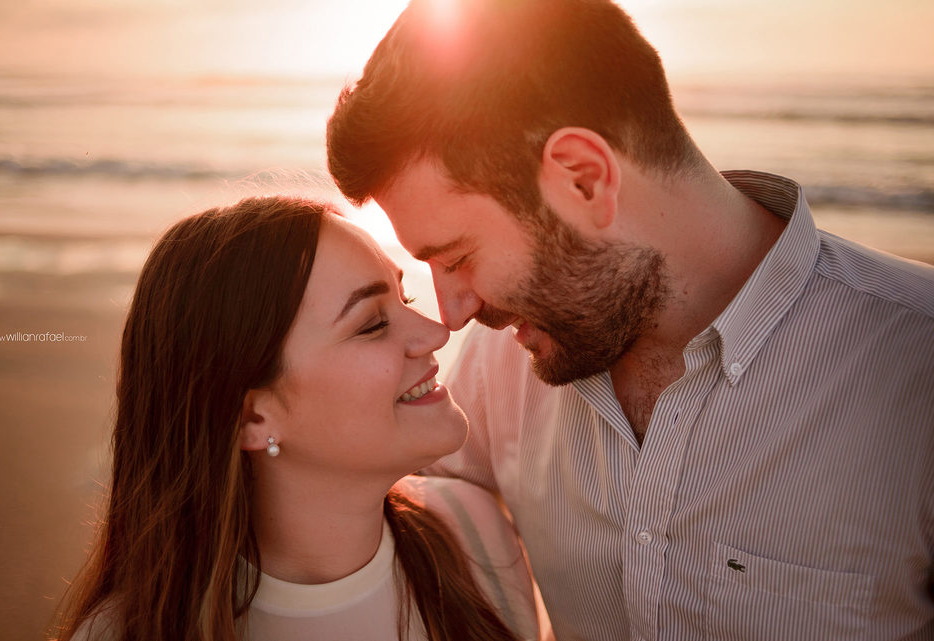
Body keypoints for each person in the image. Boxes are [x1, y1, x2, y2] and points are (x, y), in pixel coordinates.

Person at [325, 0, 934, 639]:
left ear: (584, 179)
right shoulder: (501, 360)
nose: (451, 316)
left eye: (459, 258)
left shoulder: (912, 373)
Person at [52, 196, 542, 641]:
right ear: (251, 419)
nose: (437, 332)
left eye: (405, 298)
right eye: (372, 325)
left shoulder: (473, 534)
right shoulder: (129, 633)